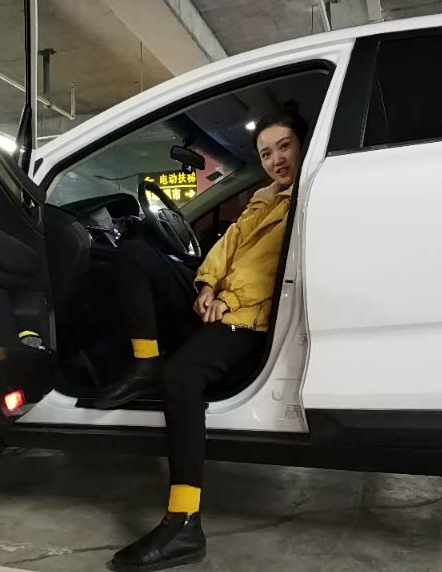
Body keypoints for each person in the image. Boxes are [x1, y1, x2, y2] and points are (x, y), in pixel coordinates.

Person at [97, 106, 308, 572]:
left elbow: (274, 267)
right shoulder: (263, 199)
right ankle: (144, 361)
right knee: (134, 254)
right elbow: (225, 248)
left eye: (284, 147)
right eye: (266, 153)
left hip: (250, 322)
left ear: (302, 146)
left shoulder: (307, 200)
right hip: (221, 304)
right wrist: (207, 285)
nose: (276, 159)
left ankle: (184, 522)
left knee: (181, 380)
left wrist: (227, 301)